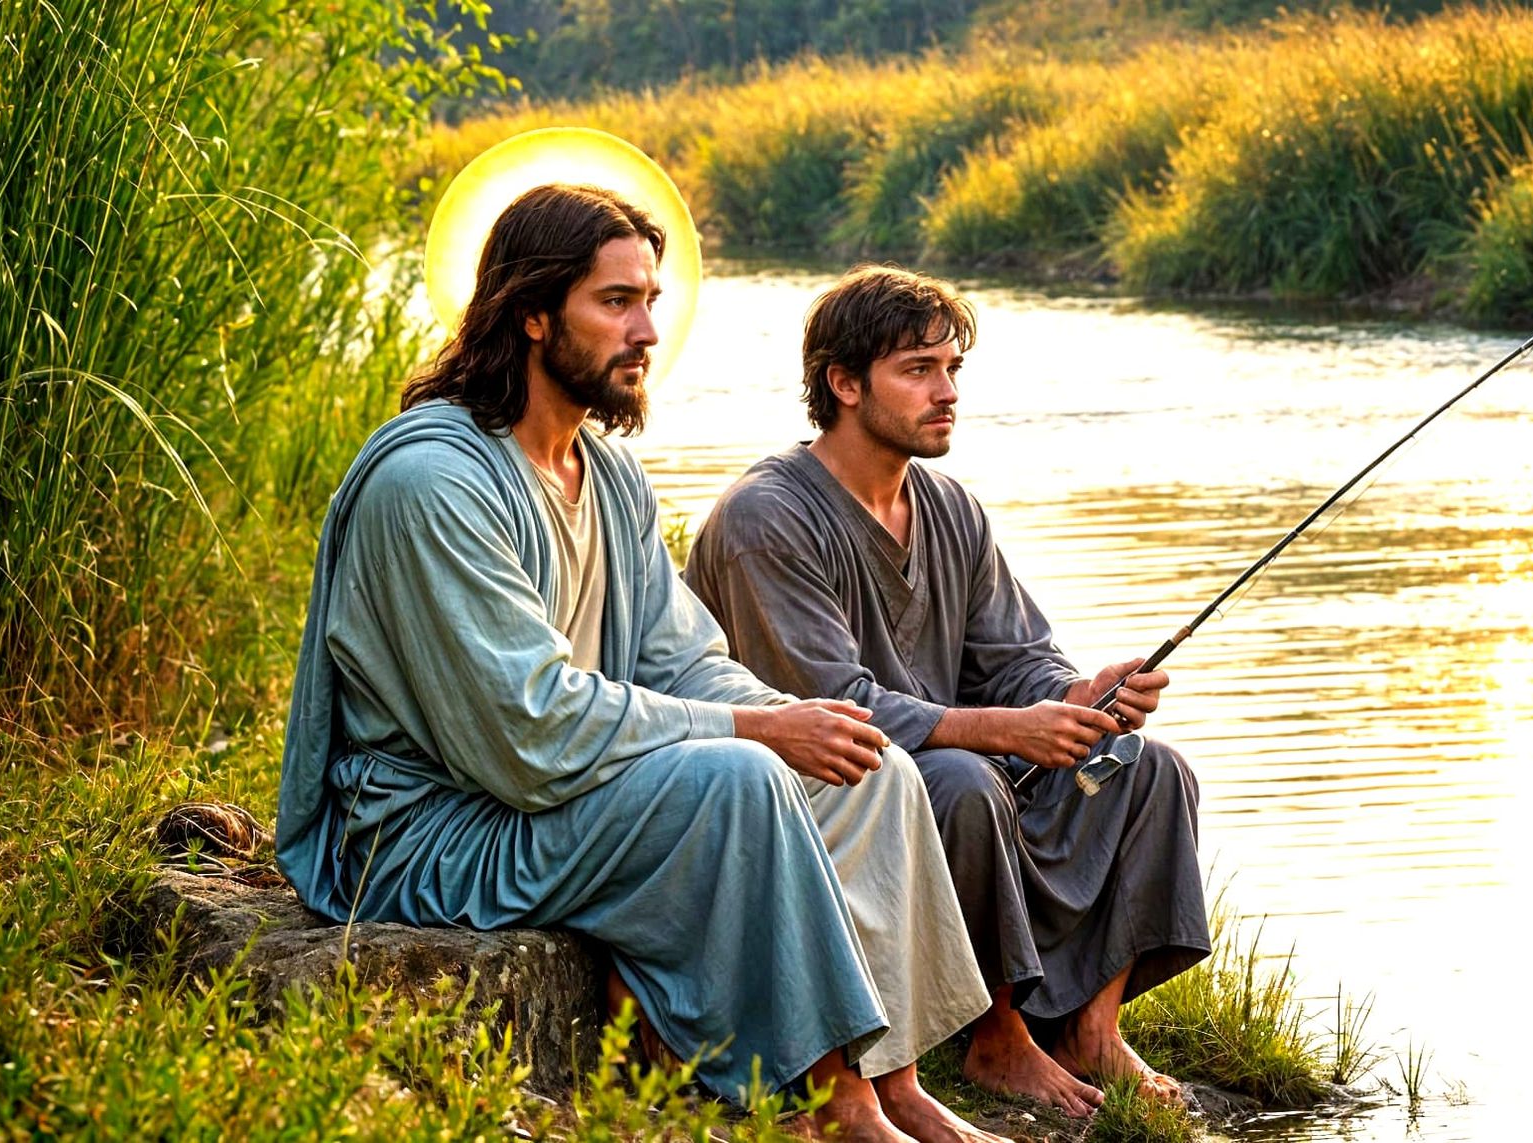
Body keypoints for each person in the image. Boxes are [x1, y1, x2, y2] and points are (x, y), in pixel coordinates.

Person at [274, 189, 995, 1143]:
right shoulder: (433, 481)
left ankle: (895, 1083)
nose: (647, 330)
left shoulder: (603, 474)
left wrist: (794, 720)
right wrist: (754, 732)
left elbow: (684, 659)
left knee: (870, 767)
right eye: (615, 303)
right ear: (533, 314)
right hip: (431, 829)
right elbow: (524, 729)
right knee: (739, 777)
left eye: (651, 300)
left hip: (554, 798)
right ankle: (836, 1107)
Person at [685, 265, 1212, 1115]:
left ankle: (1091, 1029)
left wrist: (1083, 695)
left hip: (948, 774)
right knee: (963, 785)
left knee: (1146, 766)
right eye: (918, 369)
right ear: (844, 383)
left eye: (952, 369)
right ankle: (995, 1038)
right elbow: (831, 710)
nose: (947, 392)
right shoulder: (764, 519)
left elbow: (1016, 658)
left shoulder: (951, 508)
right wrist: (1009, 729)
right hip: (829, 804)